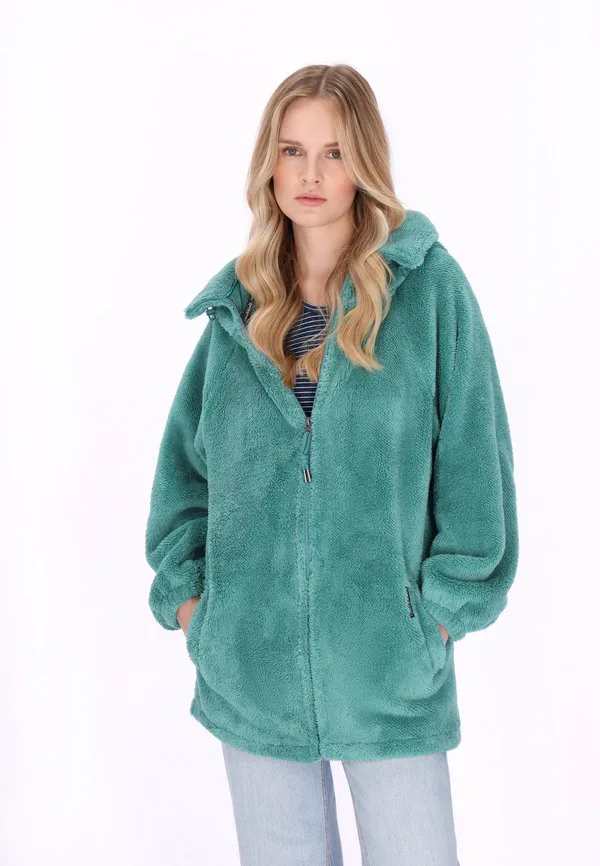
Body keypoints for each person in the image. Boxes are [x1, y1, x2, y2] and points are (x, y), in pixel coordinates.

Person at [145, 63, 519, 866]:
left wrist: (433, 620)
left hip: (390, 678)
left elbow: (475, 471)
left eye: (334, 152)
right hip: (254, 680)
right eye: (292, 151)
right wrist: (201, 615)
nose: (310, 175)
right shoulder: (240, 311)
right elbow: (183, 480)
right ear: (269, 165)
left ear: (365, 164)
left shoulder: (428, 292)